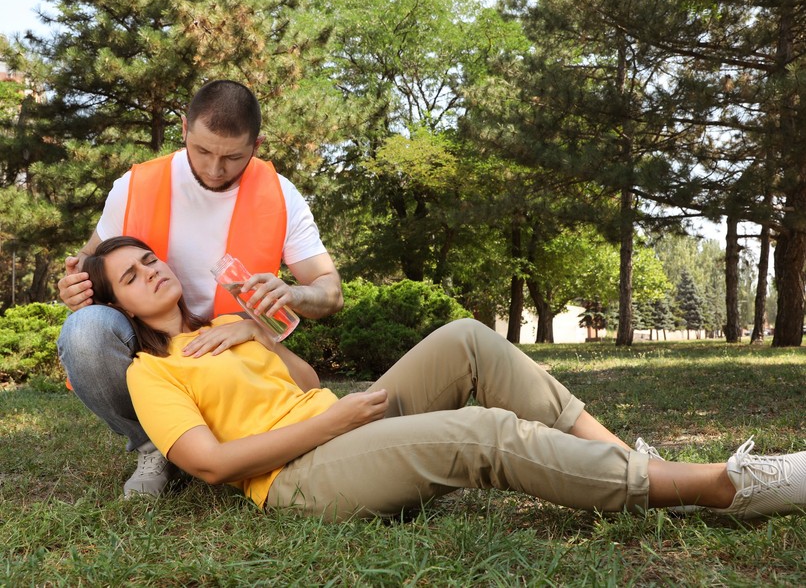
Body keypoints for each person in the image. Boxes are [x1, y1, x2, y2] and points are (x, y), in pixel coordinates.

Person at [82, 236, 806, 522]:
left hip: (341, 422)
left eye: (150, 259)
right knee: (482, 434)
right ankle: (717, 488)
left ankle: (638, 467)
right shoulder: (151, 373)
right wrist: (332, 423)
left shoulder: (221, 331)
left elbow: (302, 380)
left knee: (466, 339)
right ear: (118, 303)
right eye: (132, 275)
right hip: (298, 477)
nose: (152, 271)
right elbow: (207, 465)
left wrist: (259, 330)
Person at [57, 80, 344, 498]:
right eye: (203, 151)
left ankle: (242, 438)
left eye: (233, 157)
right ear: (184, 129)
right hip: (156, 346)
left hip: (235, 342)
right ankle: (154, 445)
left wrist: (293, 293)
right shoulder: (133, 186)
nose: (214, 170)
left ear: (257, 144)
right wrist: (75, 288)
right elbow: (87, 264)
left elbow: (329, 291)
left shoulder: (282, 195)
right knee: (84, 329)